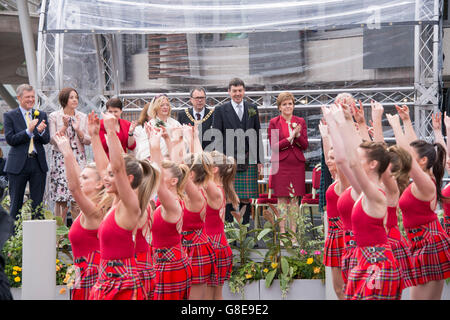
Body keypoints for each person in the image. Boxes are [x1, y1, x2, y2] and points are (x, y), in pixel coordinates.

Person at [324, 104, 402, 300]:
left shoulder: (375, 194)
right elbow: (343, 160)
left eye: (361, 159)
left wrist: (342, 122)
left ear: (373, 164)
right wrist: (337, 124)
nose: (356, 161)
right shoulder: (362, 193)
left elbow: (349, 161)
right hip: (365, 258)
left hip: (377, 262)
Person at [89, 112, 159, 300]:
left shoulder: (131, 204)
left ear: (127, 180)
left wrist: (111, 132)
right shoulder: (117, 201)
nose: (105, 177)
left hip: (122, 280)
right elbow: (107, 168)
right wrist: (95, 136)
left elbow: (117, 167)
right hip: (110, 277)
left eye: (113, 176)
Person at [387, 107, 450, 300]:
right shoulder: (422, 180)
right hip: (418, 242)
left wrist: (397, 126)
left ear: (423, 161)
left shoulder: (427, 185)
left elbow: (408, 154)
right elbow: (412, 151)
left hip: (430, 243)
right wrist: (406, 121)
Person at [53, 111, 112, 299]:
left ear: (98, 184)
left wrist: (68, 153)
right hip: (83, 271)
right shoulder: (95, 204)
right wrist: (93, 136)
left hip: (92, 272)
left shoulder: (95, 211)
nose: (81, 179)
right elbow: (78, 179)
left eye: (85, 178)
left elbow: (74, 188)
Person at [148, 124, 193, 300]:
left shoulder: (174, 203)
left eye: (161, 174)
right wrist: (169, 141)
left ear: (173, 181)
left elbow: (156, 180)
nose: (157, 176)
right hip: (162, 261)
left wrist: (155, 145)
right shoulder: (164, 200)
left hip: (170, 264)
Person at [212, 77, 263, 224]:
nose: (237, 94)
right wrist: (220, 160)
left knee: (246, 196)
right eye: (234, 91)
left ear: (244, 91)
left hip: (248, 157)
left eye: (240, 90)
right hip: (228, 159)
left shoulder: (252, 108)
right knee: (229, 195)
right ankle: (231, 233)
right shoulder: (221, 110)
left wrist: (259, 160)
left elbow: (257, 134)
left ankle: (245, 231)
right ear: (229, 92)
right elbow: (217, 135)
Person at [4, 84, 50, 222]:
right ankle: (12, 238)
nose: (31, 99)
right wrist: (28, 131)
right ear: (19, 98)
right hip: (18, 165)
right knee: (15, 205)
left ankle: (37, 238)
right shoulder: (10, 115)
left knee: (37, 205)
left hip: (37, 163)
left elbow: (46, 139)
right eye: (27, 97)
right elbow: (10, 139)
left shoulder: (41, 114)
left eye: (32, 97)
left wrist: (40, 131)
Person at [268, 91, 308, 239]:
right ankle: (283, 233)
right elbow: (274, 146)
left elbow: (305, 145)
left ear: (293, 105)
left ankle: (293, 234)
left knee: (294, 199)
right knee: (282, 199)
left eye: (290, 103)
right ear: (279, 107)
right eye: (284, 104)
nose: (287, 106)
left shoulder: (300, 121)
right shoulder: (274, 122)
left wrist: (297, 137)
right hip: (281, 164)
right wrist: (290, 137)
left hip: (297, 164)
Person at [48, 87, 91, 224]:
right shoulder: (54, 116)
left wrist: (79, 130)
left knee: (77, 197)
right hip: (61, 159)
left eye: (76, 97)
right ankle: (59, 238)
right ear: (64, 99)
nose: (75, 100)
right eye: (72, 97)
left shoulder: (82, 117)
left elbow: (88, 140)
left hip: (78, 158)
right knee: (61, 199)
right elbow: (52, 140)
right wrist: (64, 126)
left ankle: (77, 232)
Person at [204, 150, 238, 300]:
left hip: (214, 245)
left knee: (210, 296)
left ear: (214, 169)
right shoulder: (217, 189)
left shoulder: (215, 191)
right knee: (213, 295)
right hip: (215, 243)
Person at [148, 94, 184, 159]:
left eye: (167, 105)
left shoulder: (175, 123)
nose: (165, 107)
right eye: (162, 105)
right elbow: (145, 147)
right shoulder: (151, 124)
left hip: (175, 159)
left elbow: (184, 143)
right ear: (156, 108)